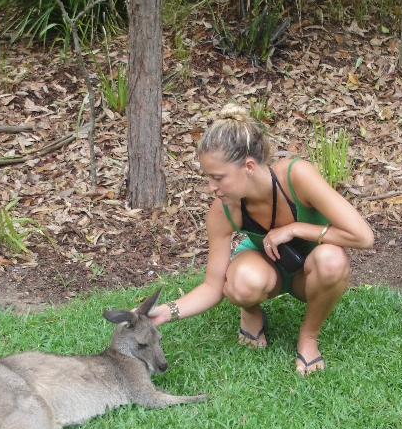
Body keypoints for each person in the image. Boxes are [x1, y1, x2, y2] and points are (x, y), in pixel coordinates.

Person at [149, 103, 374, 375]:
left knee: (332, 260)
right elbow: (212, 286)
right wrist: (166, 311)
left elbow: (363, 237)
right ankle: (251, 311)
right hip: (266, 269)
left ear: (249, 166)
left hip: (311, 272)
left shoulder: (296, 176)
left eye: (218, 178)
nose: (211, 188)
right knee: (242, 283)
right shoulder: (224, 209)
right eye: (208, 177)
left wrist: (296, 229)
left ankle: (308, 336)